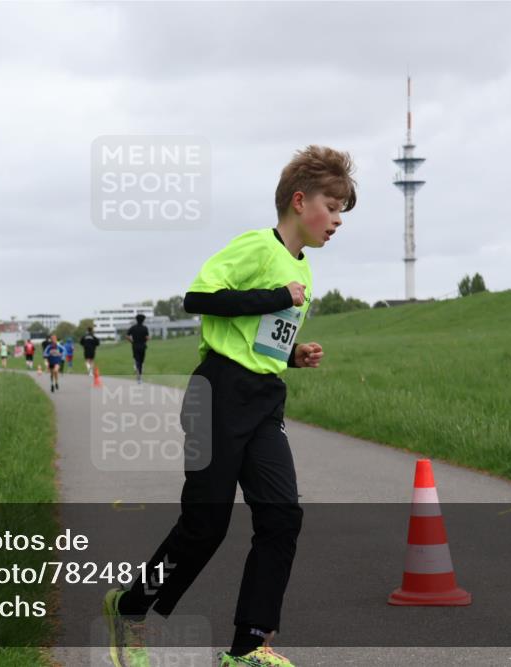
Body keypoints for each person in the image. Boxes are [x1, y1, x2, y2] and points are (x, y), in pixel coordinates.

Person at [103, 145, 355, 667]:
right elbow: (200, 298)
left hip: (264, 399)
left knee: (282, 517)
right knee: (205, 527)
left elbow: (258, 341)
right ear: (299, 200)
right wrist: (273, 297)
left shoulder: (305, 275)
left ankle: (247, 648)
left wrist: (290, 353)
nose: (336, 221)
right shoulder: (255, 247)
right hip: (216, 393)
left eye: (342, 213)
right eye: (332, 207)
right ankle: (130, 608)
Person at [126, 314, 150, 384]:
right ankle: (140, 377)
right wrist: (145, 341)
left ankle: (137, 374)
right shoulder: (145, 328)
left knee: (137, 360)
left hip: (135, 346)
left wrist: (132, 341)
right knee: (141, 362)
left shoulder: (133, 328)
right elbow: (147, 337)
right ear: (143, 320)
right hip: (142, 346)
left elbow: (127, 336)